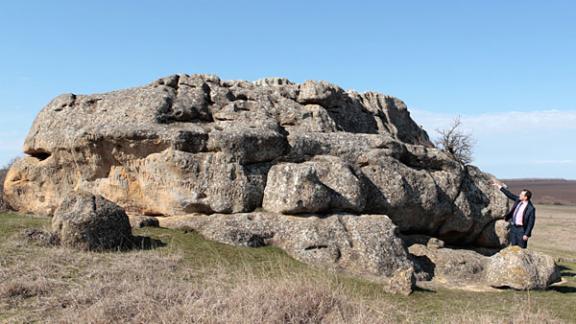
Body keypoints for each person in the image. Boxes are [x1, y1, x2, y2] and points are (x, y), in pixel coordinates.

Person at [491, 180, 535, 248]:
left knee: (521, 249)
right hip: (513, 228)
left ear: (525, 197)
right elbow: (509, 195)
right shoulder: (518, 200)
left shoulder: (531, 208)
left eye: (521, 195)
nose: (519, 195)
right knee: (513, 247)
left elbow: (530, 223)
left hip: (522, 231)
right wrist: (499, 186)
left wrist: (526, 234)